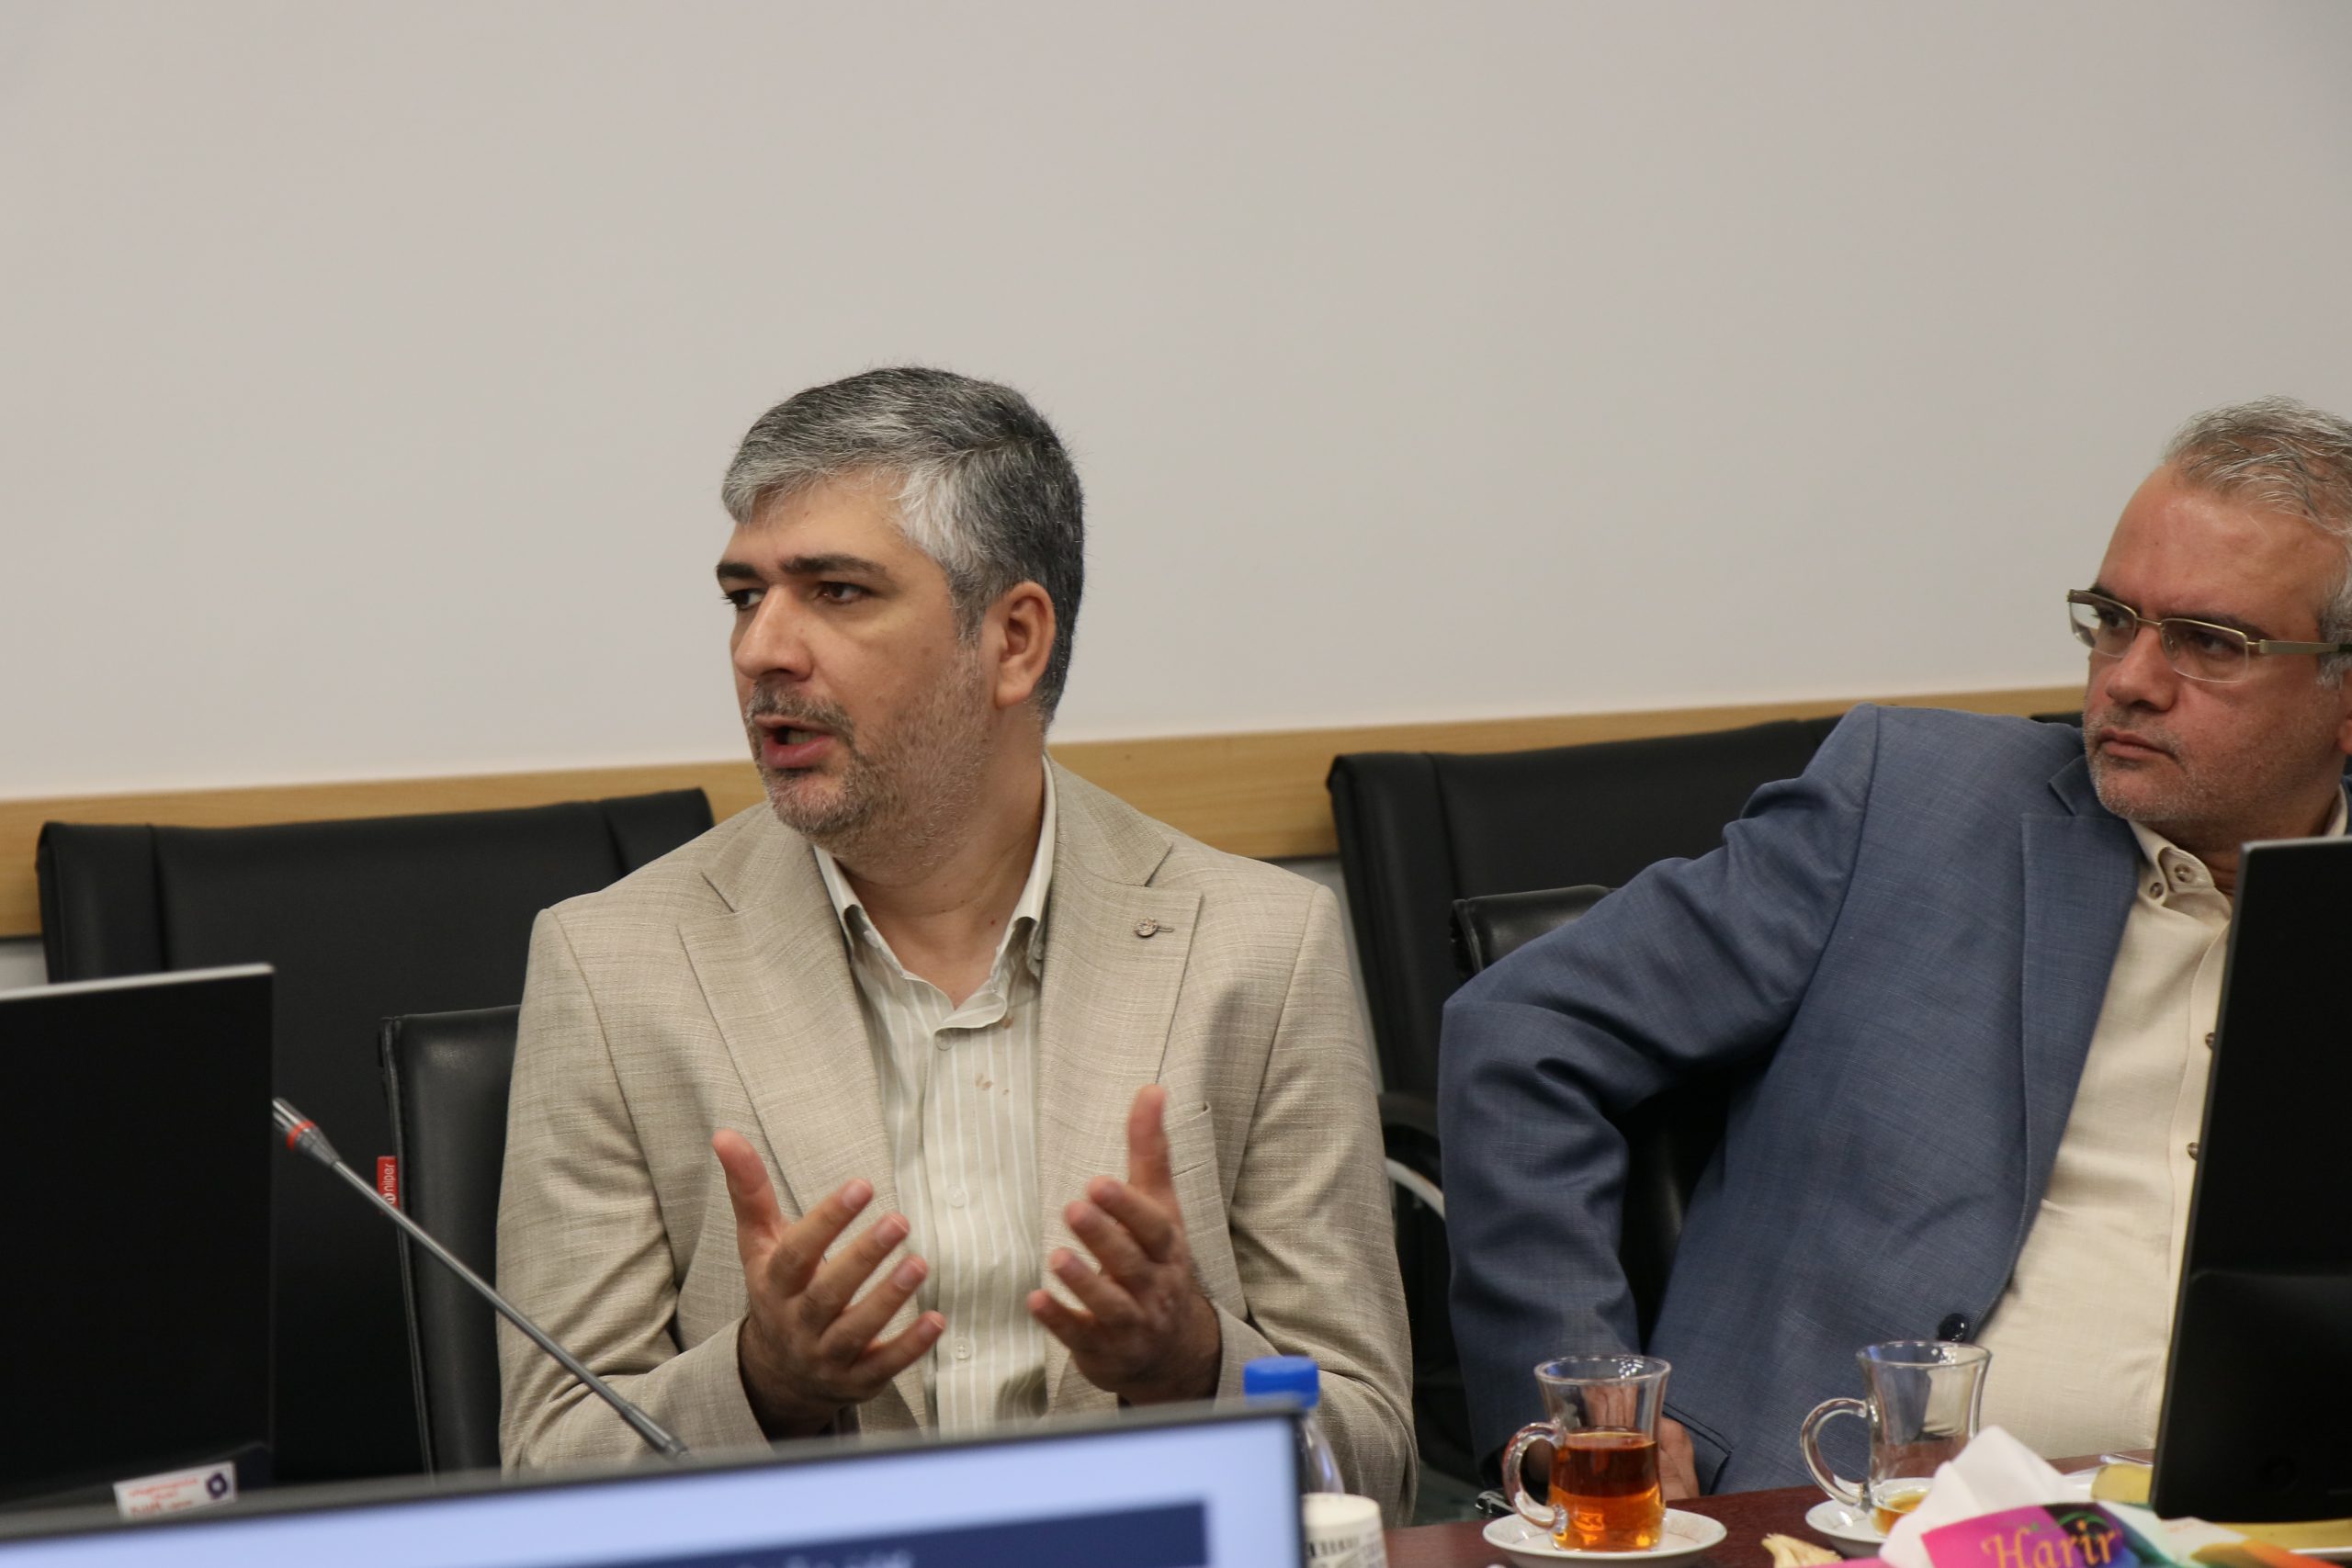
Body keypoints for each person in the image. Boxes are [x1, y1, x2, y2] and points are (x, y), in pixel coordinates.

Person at [496, 367, 1413, 1516]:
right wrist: (765, 1384)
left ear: (1013, 640)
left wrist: (1187, 1366)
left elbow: (1376, 1461)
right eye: (744, 596)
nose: (761, 649)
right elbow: (550, 1471)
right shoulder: (612, 966)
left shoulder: (1258, 948)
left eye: (835, 591)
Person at [1442, 397, 2352, 1495]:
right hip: (1844, 1511)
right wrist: (1578, 1400)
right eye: (2113, 619)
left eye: (2209, 643)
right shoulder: (1907, 805)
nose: (2128, 678)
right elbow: (1522, 1029)